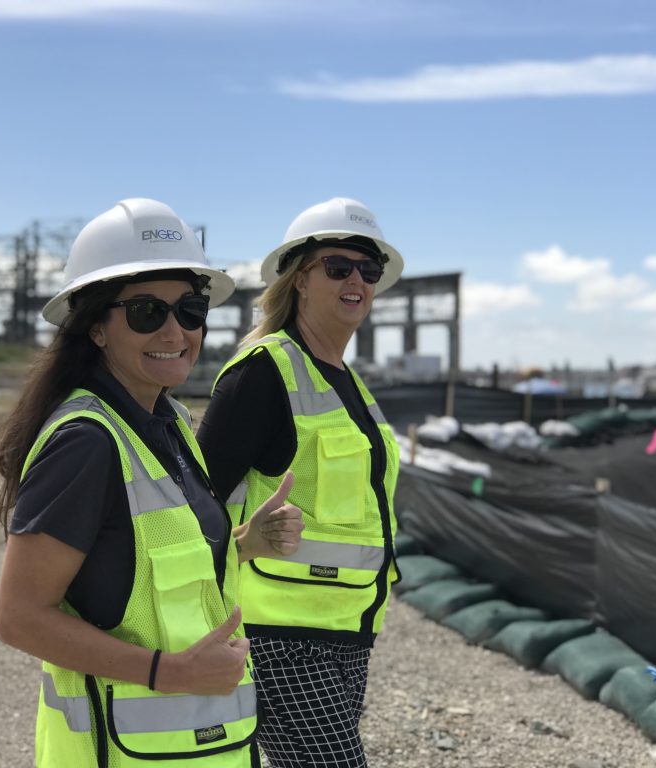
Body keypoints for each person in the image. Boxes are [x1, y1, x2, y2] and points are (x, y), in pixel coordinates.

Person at [0, 198, 303, 768]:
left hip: (202, 748)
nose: (175, 330)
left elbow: (135, 565)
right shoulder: (86, 442)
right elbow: (19, 617)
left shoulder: (170, 425)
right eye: (144, 312)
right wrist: (170, 672)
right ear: (97, 328)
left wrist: (239, 543)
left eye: (190, 309)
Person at [197, 198, 404, 768]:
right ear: (301, 279)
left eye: (369, 269)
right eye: (338, 266)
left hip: (346, 630)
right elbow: (189, 503)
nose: (357, 279)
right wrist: (243, 538)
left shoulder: (349, 385)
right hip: (280, 636)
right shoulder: (262, 374)